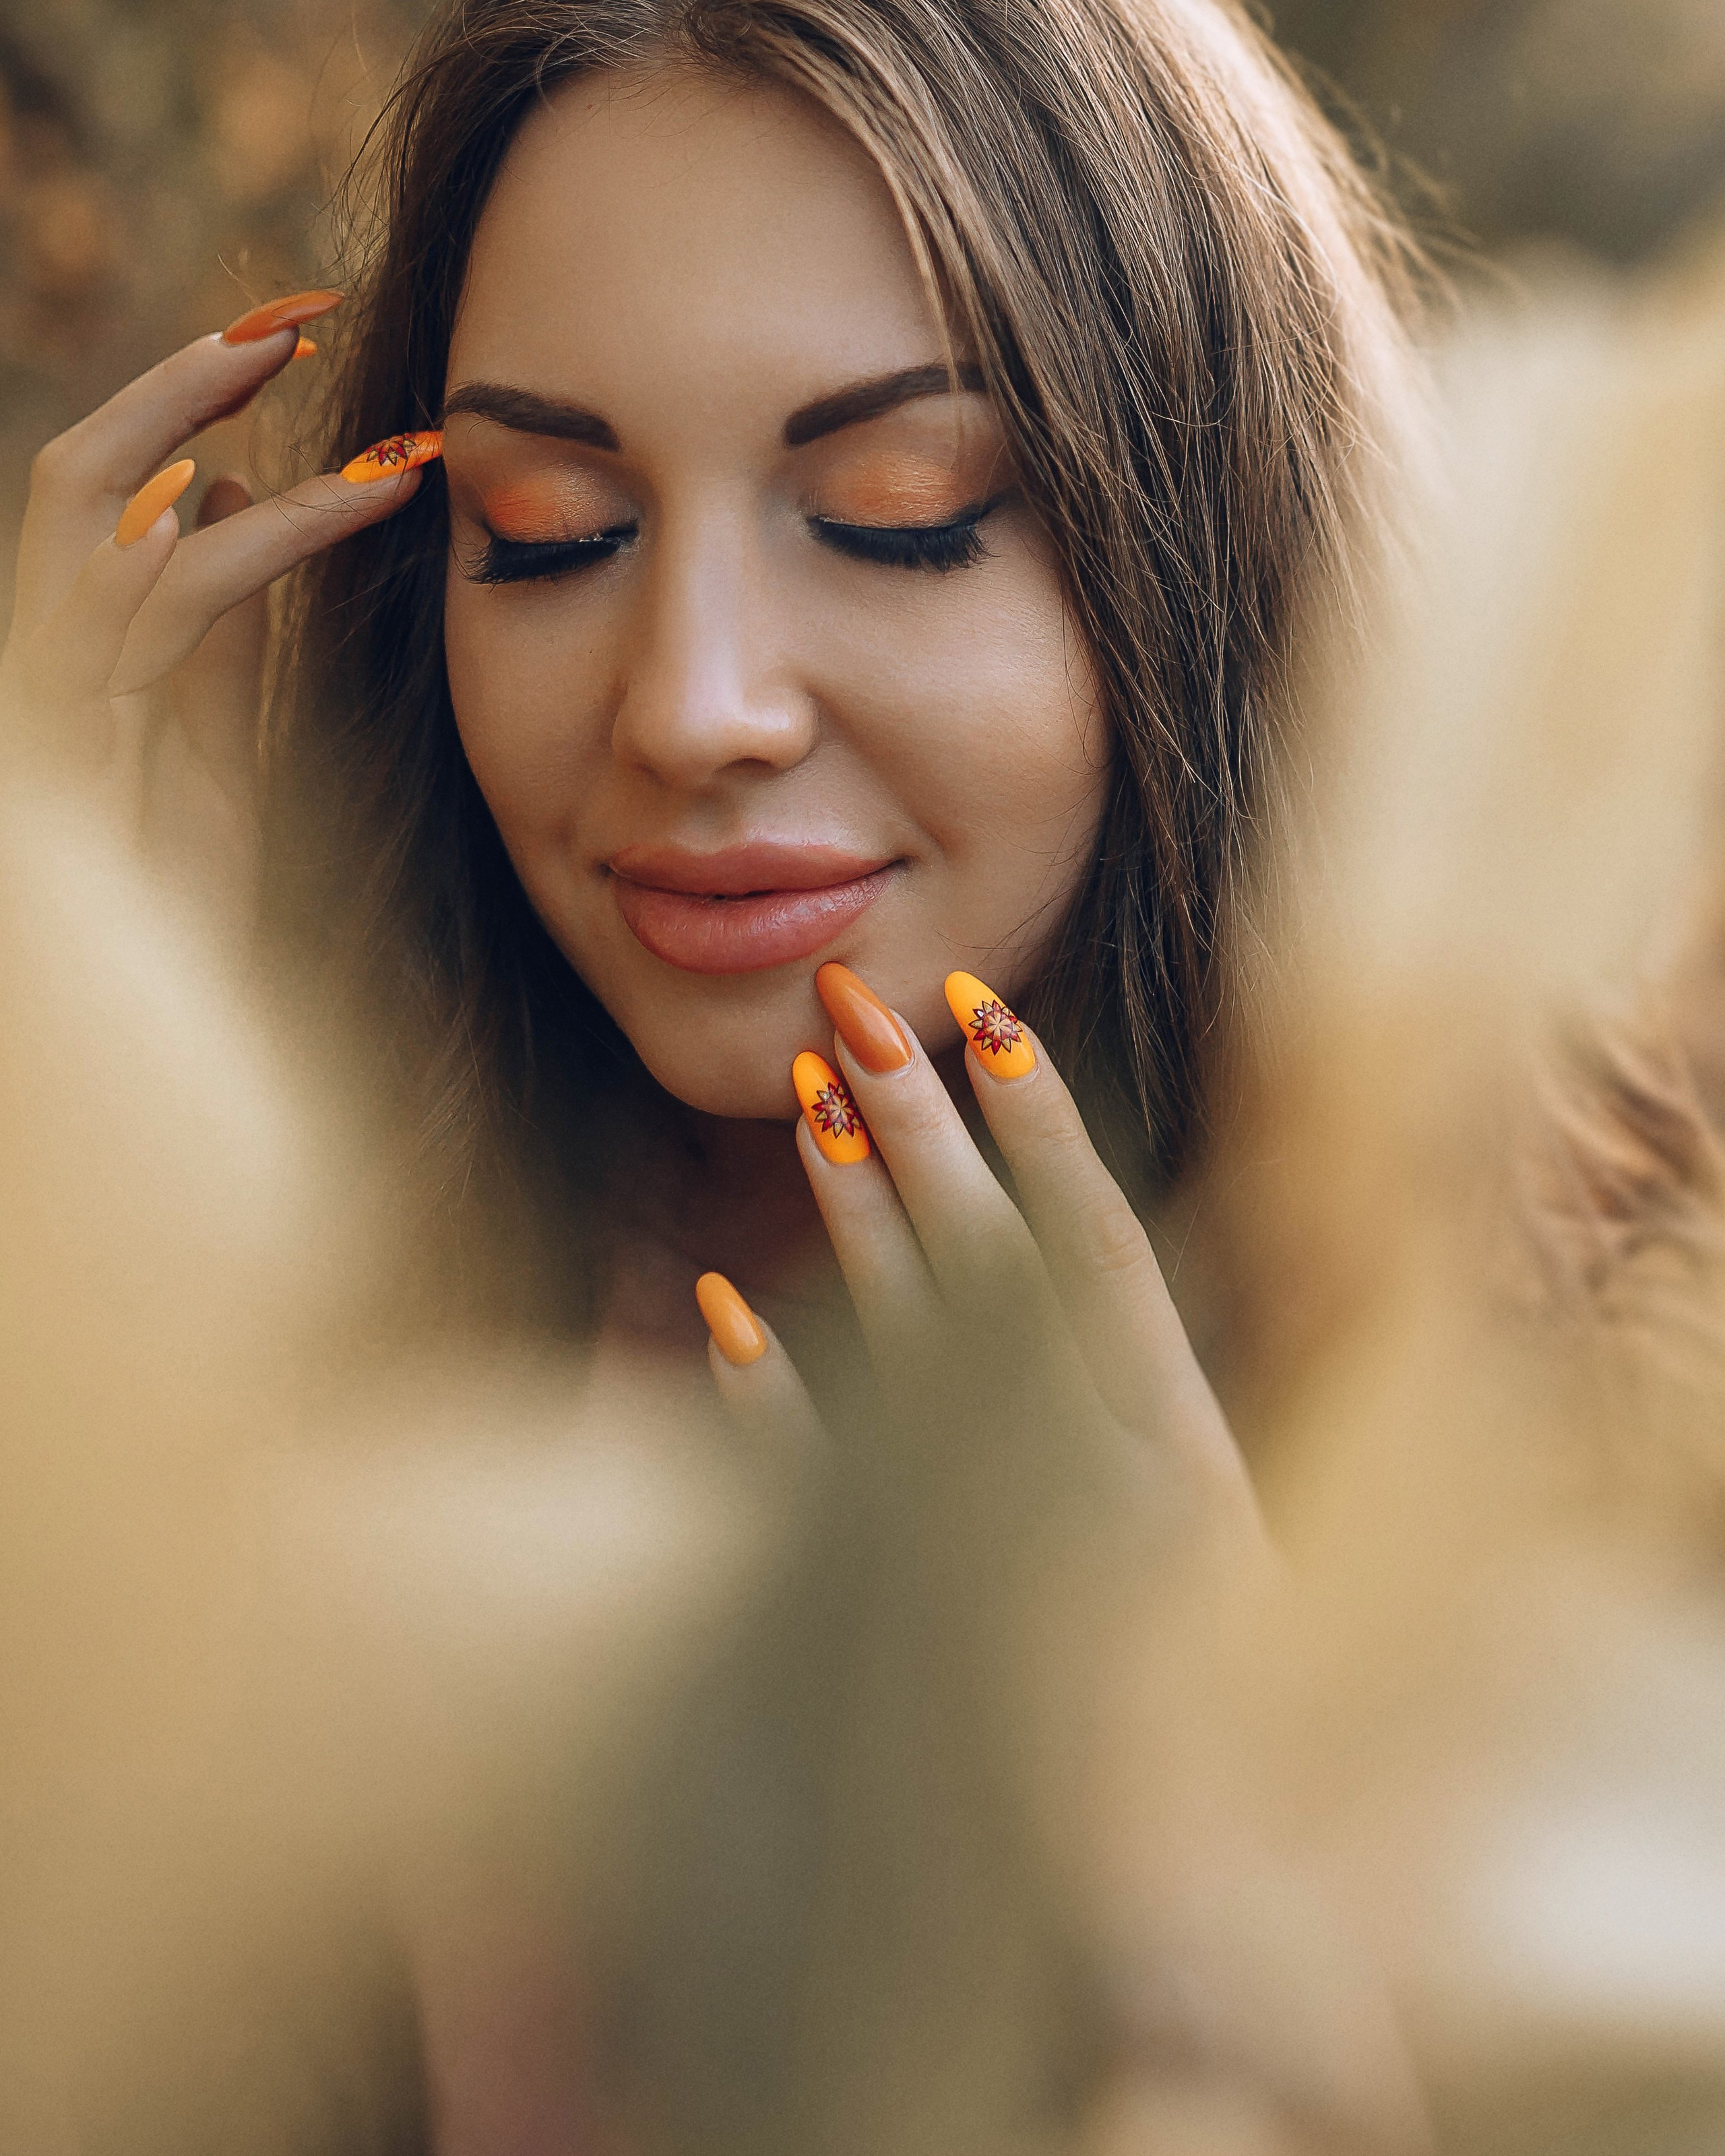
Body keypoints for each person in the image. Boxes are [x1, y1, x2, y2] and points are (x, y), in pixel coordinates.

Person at [0, 3, 1429, 2140]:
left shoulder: (1571, 1446)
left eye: (902, 509)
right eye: (553, 527)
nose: (693, 708)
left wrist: (1244, 1918)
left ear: (1212, 546)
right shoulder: (204, 1342)